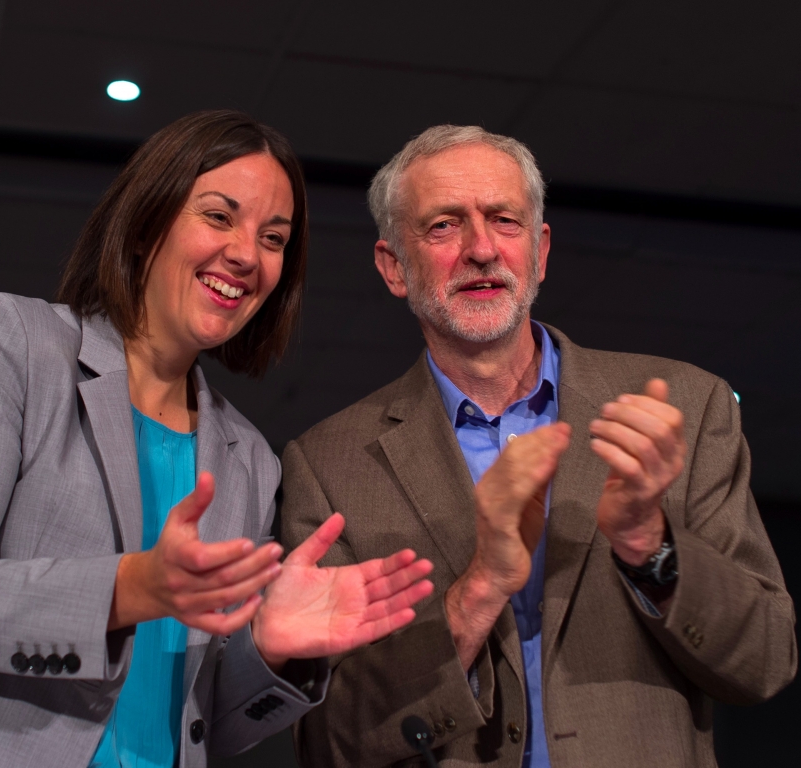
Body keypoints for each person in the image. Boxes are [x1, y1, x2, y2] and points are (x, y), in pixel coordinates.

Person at [0, 110, 434, 768]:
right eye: (218, 215)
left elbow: (200, 724)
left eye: (273, 237)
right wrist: (129, 589)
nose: (245, 252)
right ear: (148, 226)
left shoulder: (249, 462)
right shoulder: (12, 344)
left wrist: (269, 647)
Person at [280, 125, 797, 768]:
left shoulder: (687, 408)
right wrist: (479, 590)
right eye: (443, 226)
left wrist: (649, 544)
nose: (480, 249)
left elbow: (766, 662)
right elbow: (329, 743)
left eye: (504, 220)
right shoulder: (328, 463)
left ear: (541, 250)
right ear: (393, 267)